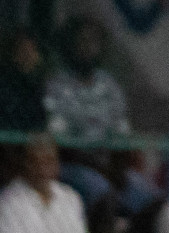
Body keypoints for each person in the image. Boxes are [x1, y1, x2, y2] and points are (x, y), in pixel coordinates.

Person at [44, 15, 131, 211]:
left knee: (147, 197)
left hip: (109, 165)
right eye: (82, 41)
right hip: (73, 166)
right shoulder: (57, 86)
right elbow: (61, 144)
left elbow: (123, 134)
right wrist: (99, 169)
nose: (88, 48)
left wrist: (117, 167)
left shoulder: (110, 85)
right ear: (70, 45)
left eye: (94, 41)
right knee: (102, 192)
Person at [0, 27, 45, 133]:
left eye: (32, 50)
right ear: (13, 54)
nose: (28, 56)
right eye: (23, 50)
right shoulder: (4, 85)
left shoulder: (40, 85)